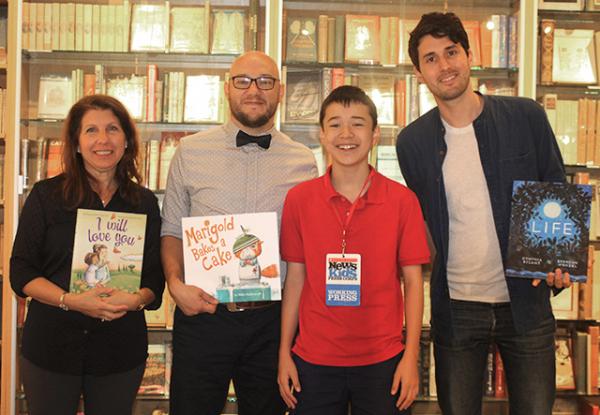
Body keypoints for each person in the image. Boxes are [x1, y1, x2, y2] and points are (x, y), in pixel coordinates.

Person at [395, 12, 570, 415]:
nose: (445, 65)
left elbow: (556, 192)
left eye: (451, 52)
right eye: (431, 59)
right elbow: (422, 223)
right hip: (456, 310)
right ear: (420, 73)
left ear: (468, 55)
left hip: (526, 303)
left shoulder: (526, 116)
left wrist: (559, 264)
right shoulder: (412, 143)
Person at [160, 51, 317, 415]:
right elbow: (172, 229)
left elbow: (306, 246)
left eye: (265, 82)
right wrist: (174, 282)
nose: (254, 90)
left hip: (273, 322)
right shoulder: (190, 151)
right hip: (203, 314)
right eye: (243, 81)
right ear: (227, 88)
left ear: (280, 91)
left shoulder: (304, 160)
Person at [278, 85, 430, 414]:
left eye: (358, 123)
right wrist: (283, 353)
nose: (346, 133)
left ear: (375, 134)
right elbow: (295, 279)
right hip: (313, 361)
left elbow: (414, 282)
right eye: (335, 124)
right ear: (321, 134)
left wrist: (410, 357)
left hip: (383, 361)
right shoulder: (299, 200)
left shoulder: (403, 201)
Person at [10, 94, 165, 415]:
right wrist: (71, 300)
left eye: (112, 129)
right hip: (52, 347)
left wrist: (135, 299)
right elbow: (21, 271)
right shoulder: (45, 196)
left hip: (119, 351)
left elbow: (154, 277)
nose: (103, 139)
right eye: (91, 130)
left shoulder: (144, 202)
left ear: (126, 141)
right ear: (77, 143)